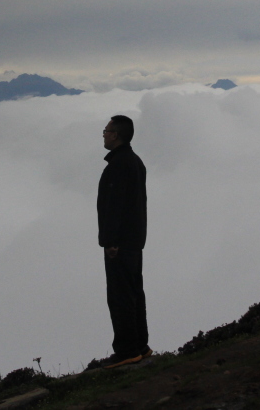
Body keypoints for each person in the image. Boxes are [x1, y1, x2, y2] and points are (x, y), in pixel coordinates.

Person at [95, 114, 151, 369]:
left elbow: (115, 207)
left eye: (106, 131)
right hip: (134, 242)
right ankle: (140, 346)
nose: (104, 134)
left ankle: (127, 350)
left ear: (116, 135)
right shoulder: (135, 162)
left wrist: (110, 242)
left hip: (121, 244)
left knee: (120, 297)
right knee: (134, 293)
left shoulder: (118, 165)